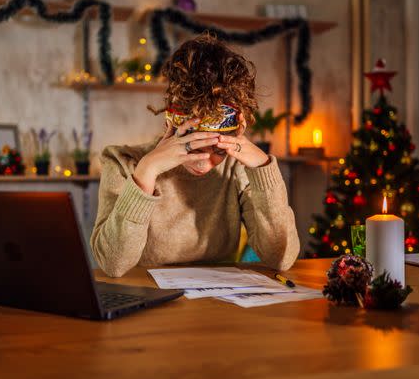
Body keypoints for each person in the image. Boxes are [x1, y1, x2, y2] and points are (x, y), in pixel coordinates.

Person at [91, 34, 299, 277]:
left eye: (218, 151)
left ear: (239, 130)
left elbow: (281, 258)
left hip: (218, 305)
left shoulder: (236, 168)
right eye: (193, 148)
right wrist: (146, 172)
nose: (204, 162)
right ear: (170, 124)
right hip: (147, 302)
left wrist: (264, 167)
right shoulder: (122, 162)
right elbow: (113, 265)